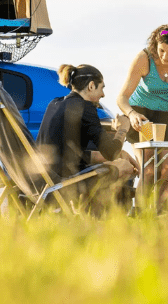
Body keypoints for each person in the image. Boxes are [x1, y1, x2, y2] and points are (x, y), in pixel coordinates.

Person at [117, 23, 168, 211]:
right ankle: (140, 215)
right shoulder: (144, 58)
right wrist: (131, 114)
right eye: (162, 51)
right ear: (156, 45)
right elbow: (121, 97)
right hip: (143, 117)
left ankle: (161, 215)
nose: (164, 57)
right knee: (148, 168)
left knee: (166, 170)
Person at [38, 64, 139, 208]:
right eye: (101, 88)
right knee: (124, 167)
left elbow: (67, 151)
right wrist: (122, 129)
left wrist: (119, 153)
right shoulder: (85, 108)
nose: (103, 95)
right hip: (61, 185)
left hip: (42, 180)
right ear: (91, 86)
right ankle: (104, 220)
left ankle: (87, 216)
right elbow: (111, 152)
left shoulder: (55, 103)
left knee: (116, 161)